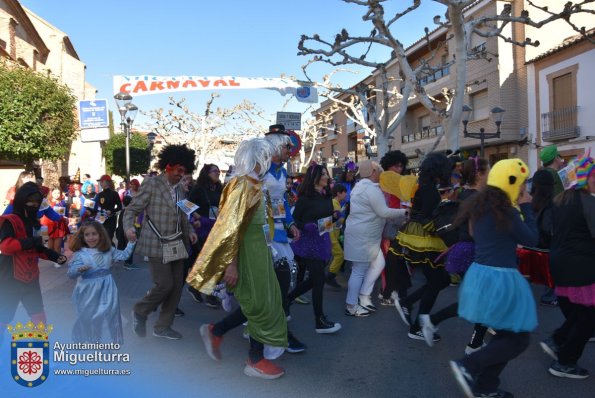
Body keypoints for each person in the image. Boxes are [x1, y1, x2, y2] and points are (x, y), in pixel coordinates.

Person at [189, 138, 288, 379]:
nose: (270, 161)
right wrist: (231, 265)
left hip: (260, 253)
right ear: (258, 159)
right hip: (246, 256)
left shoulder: (256, 185)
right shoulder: (242, 186)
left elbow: (261, 224)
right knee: (257, 305)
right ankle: (254, 359)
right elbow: (229, 230)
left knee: (265, 302)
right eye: (266, 156)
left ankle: (219, 332)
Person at [450, 159, 537, 398]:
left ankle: (485, 386)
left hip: (481, 274)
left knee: (509, 337)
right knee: (517, 339)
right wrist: (527, 208)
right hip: (501, 278)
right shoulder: (506, 211)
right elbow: (532, 238)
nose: (524, 189)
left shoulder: (479, 206)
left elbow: (472, 233)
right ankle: (468, 366)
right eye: (522, 184)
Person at [125, 144, 197, 340]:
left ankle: (163, 327)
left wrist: (190, 230)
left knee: (176, 288)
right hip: (156, 243)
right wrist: (129, 228)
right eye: (178, 170)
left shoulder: (180, 189)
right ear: (168, 166)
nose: (181, 175)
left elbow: (183, 214)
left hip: (177, 243)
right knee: (165, 285)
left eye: (184, 171)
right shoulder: (151, 184)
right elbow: (131, 210)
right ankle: (140, 310)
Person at [429, 157, 491, 354]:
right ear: (480, 174)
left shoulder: (464, 194)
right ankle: (474, 345)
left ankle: (433, 321)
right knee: (484, 300)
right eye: (487, 170)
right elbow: (474, 230)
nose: (489, 173)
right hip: (474, 251)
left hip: (464, 250)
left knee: (478, 299)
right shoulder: (477, 198)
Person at [541, 154, 595, 379]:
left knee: (582, 313)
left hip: (559, 263)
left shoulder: (560, 200)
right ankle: (565, 361)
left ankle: (558, 340)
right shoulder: (589, 202)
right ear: (584, 178)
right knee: (589, 317)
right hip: (580, 266)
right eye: (593, 176)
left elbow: (545, 229)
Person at [390, 153, 452, 345]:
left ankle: (407, 303)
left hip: (417, 234)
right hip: (425, 237)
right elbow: (427, 217)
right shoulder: (431, 190)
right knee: (437, 281)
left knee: (442, 280)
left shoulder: (424, 186)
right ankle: (418, 326)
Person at [0, 182, 67, 340]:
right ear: (22, 201)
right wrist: (30, 242)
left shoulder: (33, 223)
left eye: (37, 203)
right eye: (30, 202)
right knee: (3, 319)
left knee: (39, 318)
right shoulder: (9, 220)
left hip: (30, 278)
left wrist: (53, 256)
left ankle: (40, 355)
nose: (34, 206)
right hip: (10, 278)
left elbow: (36, 248)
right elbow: (6, 246)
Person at [344, 160, 407, 317]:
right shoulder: (369, 189)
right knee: (359, 270)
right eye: (379, 170)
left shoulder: (361, 186)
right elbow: (384, 212)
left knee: (378, 264)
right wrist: (404, 212)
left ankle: (364, 296)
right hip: (364, 236)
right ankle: (351, 305)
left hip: (365, 236)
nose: (381, 172)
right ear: (372, 172)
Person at [263, 124, 306, 352]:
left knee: (288, 274)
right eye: (286, 146)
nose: (290, 150)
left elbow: (281, 203)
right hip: (263, 233)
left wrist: (291, 224)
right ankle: (275, 330)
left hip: (279, 231)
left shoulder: (282, 172)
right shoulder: (259, 168)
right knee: (275, 282)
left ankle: (272, 324)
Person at [289, 164, 341, 334]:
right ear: (316, 177)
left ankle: (286, 300)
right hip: (308, 244)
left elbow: (325, 219)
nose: (327, 176)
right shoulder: (304, 199)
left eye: (327, 174)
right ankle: (319, 320)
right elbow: (294, 221)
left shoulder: (326, 196)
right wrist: (306, 226)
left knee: (313, 281)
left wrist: (334, 218)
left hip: (323, 241)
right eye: (324, 174)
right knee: (318, 281)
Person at [67, 220, 136, 344]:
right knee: (89, 316)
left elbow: (124, 255)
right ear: (82, 237)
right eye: (87, 235)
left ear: (100, 235)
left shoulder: (108, 250)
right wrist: (79, 269)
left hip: (107, 287)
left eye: (94, 234)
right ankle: (90, 341)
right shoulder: (80, 254)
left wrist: (131, 242)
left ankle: (108, 343)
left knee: (109, 314)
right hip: (87, 290)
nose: (91, 237)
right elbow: (71, 274)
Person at [187, 164, 224, 308]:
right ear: (207, 173)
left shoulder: (219, 188)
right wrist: (196, 215)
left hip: (216, 227)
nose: (218, 173)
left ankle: (195, 287)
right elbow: (185, 204)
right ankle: (210, 294)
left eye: (218, 171)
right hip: (202, 228)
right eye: (215, 171)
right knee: (211, 260)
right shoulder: (198, 188)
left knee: (211, 260)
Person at [377, 150, 409, 305]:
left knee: (396, 260)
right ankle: (385, 291)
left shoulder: (401, 183)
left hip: (401, 223)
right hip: (386, 225)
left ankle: (391, 290)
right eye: (395, 166)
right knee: (387, 259)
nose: (399, 169)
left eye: (401, 166)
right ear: (388, 166)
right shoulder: (380, 184)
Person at [538, 144, 565, 306]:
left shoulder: (540, 174)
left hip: (542, 220)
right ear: (555, 158)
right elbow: (561, 198)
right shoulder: (555, 175)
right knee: (555, 258)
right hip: (554, 220)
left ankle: (550, 292)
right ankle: (550, 294)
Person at [326, 183, 347, 288]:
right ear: (339, 193)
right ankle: (330, 276)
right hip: (331, 234)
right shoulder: (335, 203)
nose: (346, 195)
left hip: (333, 234)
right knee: (340, 255)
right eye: (344, 193)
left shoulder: (337, 203)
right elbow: (336, 221)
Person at [92, 175, 122, 244]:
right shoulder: (99, 195)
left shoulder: (114, 194)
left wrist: (111, 211)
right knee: (102, 239)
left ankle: (111, 252)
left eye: (102, 182)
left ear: (106, 182)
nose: (100, 184)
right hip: (101, 219)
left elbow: (119, 207)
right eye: (100, 182)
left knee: (108, 238)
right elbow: (95, 207)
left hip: (111, 219)